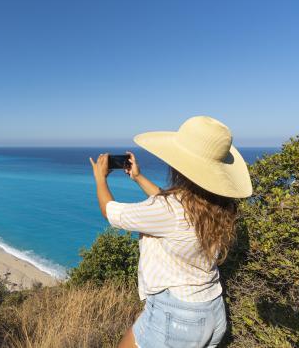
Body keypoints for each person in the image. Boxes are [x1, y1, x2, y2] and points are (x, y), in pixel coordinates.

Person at [89, 116, 252, 348]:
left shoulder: (171, 209)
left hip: (177, 316)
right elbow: (172, 209)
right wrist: (138, 177)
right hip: (213, 309)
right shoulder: (221, 206)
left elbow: (111, 212)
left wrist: (100, 178)